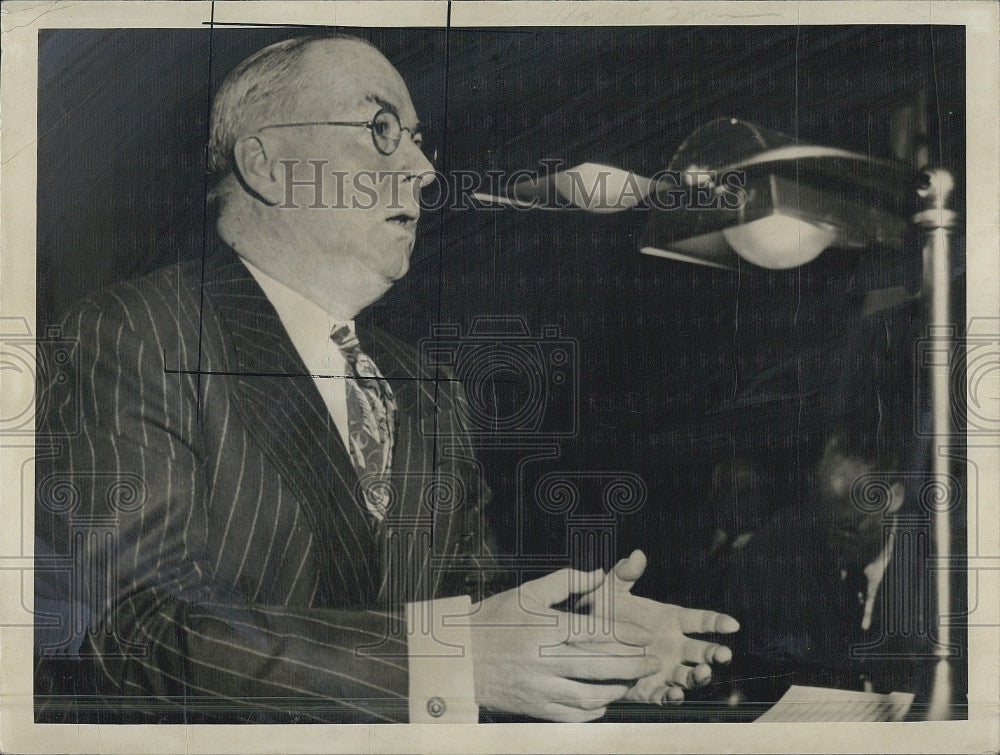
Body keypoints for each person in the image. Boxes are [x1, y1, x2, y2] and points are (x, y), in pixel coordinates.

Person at [35, 33, 738, 724]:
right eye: (381, 129)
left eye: (418, 138)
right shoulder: (132, 332)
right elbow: (130, 637)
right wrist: (448, 660)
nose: (426, 171)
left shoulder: (424, 386)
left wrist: (576, 635)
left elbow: (466, 601)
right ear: (269, 163)